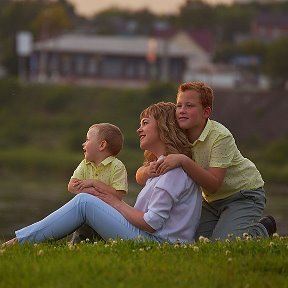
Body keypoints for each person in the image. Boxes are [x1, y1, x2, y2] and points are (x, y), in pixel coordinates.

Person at [2, 102, 201, 247]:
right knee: (89, 200)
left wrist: (115, 203)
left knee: (84, 202)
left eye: (145, 123)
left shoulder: (173, 171)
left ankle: (17, 243)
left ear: (162, 127)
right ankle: (25, 241)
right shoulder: (161, 166)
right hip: (151, 237)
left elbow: (151, 223)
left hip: (158, 245)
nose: (139, 129)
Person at [136, 81, 276, 241]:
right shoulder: (178, 133)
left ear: (206, 112)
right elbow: (140, 175)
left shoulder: (220, 136)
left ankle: (262, 229)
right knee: (195, 242)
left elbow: (214, 184)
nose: (182, 111)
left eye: (189, 106)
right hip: (210, 200)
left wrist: (183, 160)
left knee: (223, 244)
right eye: (179, 105)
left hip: (242, 194)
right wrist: (148, 170)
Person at [68, 123, 128, 243]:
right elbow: (71, 186)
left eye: (87, 140)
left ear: (102, 145)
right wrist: (90, 191)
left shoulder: (117, 166)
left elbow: (118, 195)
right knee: (80, 229)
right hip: (85, 214)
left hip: (108, 216)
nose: (83, 144)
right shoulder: (85, 163)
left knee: (101, 238)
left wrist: (94, 183)